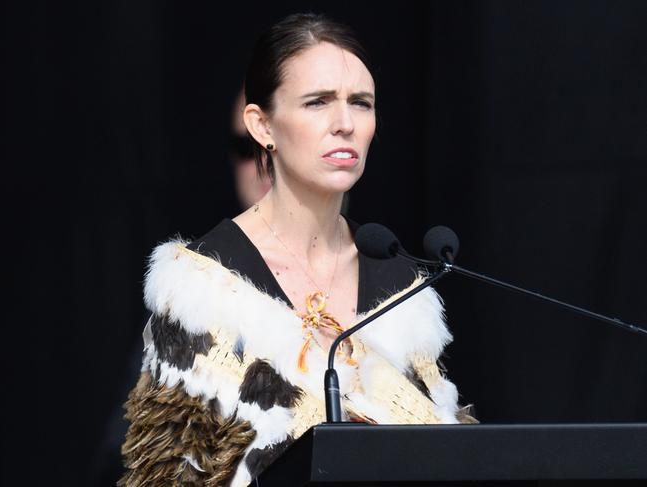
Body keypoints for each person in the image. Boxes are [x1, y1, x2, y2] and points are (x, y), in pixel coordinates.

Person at [118, 12, 477, 487]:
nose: (345, 124)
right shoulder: (201, 290)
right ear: (261, 126)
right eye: (317, 102)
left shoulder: (401, 284)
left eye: (361, 103)